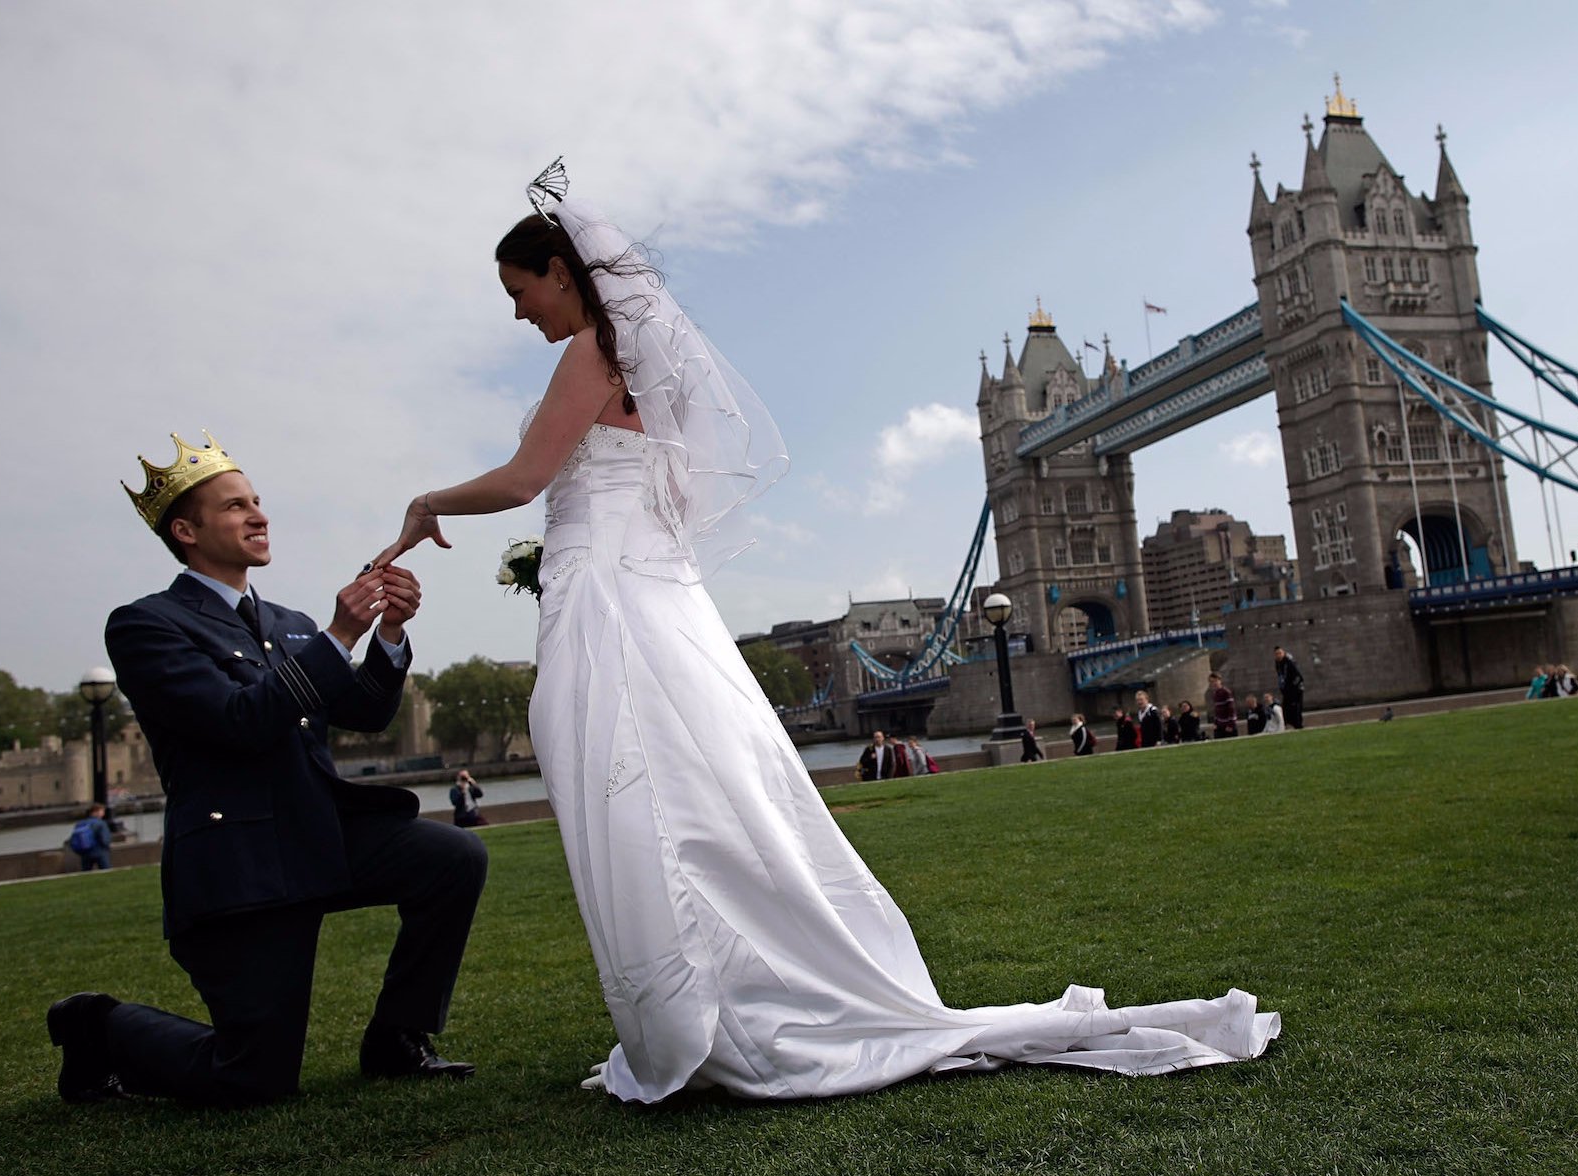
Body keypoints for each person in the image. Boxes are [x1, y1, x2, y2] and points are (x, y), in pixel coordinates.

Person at [375, 169, 1275, 1103]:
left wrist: (428, 502)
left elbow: (528, 478)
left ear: (559, 272)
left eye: (517, 292)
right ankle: (715, 996)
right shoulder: (646, 372)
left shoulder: (588, 357)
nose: (518, 314)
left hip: (607, 599)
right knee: (692, 796)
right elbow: (658, 501)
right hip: (647, 595)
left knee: (640, 799)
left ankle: (702, 1008)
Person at [45, 432, 489, 1109]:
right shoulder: (146, 626)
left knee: (453, 855)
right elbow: (240, 720)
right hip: (243, 862)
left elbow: (365, 713)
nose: (259, 514)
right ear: (186, 531)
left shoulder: (288, 622)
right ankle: (96, 1025)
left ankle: (398, 1038)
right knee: (252, 1078)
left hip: (321, 834)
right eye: (235, 506)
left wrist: (387, 634)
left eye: (257, 501)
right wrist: (340, 636)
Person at [66, 803, 113, 871]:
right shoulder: (100, 823)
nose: (103, 813)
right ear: (95, 812)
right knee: (106, 871)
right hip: (99, 851)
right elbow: (104, 839)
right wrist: (107, 847)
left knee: (86, 872)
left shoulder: (80, 823)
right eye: (102, 811)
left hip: (84, 851)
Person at [1274, 646, 1305, 729]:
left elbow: (1299, 677)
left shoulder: (1289, 663)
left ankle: (1298, 725)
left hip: (1295, 690)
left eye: (1280, 653)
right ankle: (1291, 724)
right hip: (1287, 691)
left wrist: (1293, 688)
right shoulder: (1278, 664)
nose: (1278, 655)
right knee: (1286, 710)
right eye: (1276, 654)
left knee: (1295, 709)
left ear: (1283, 653)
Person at [1208, 673, 1239, 739]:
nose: (1214, 683)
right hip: (1219, 724)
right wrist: (1215, 723)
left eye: (1215, 681)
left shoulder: (1226, 692)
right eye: (1212, 682)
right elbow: (1217, 710)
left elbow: (1231, 709)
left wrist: (1231, 724)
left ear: (1220, 681)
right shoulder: (1215, 693)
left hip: (1228, 725)